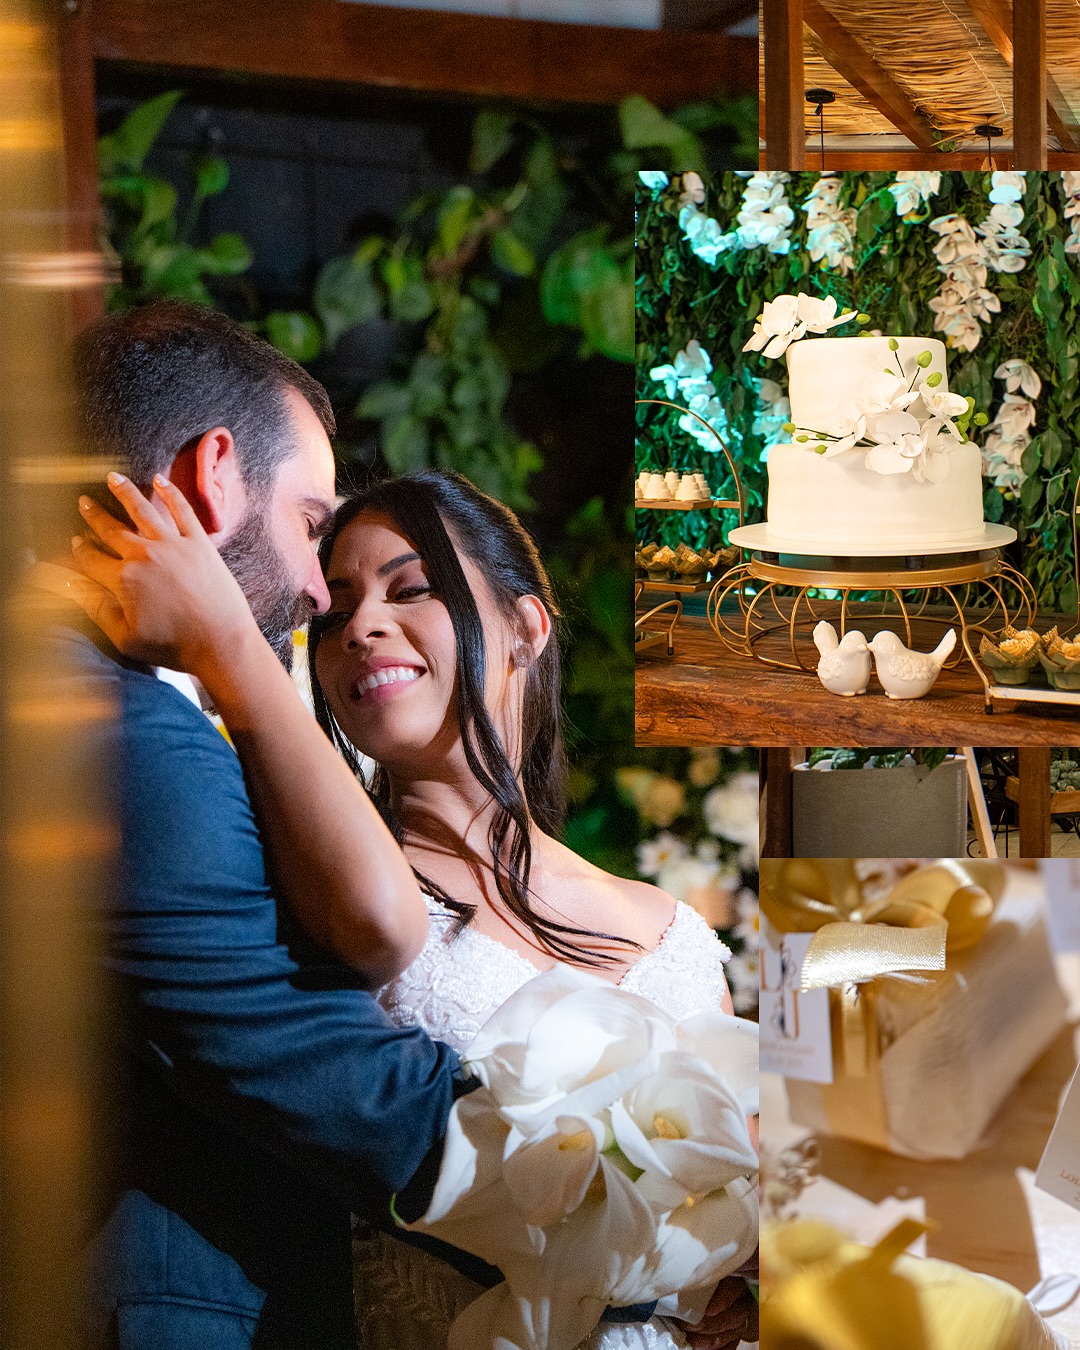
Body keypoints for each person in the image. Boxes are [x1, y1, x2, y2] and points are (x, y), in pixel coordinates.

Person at [70, 414, 757, 1347]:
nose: (361, 627)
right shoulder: (306, 881)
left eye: (412, 589)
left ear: (525, 627)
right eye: (334, 612)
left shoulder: (672, 929)